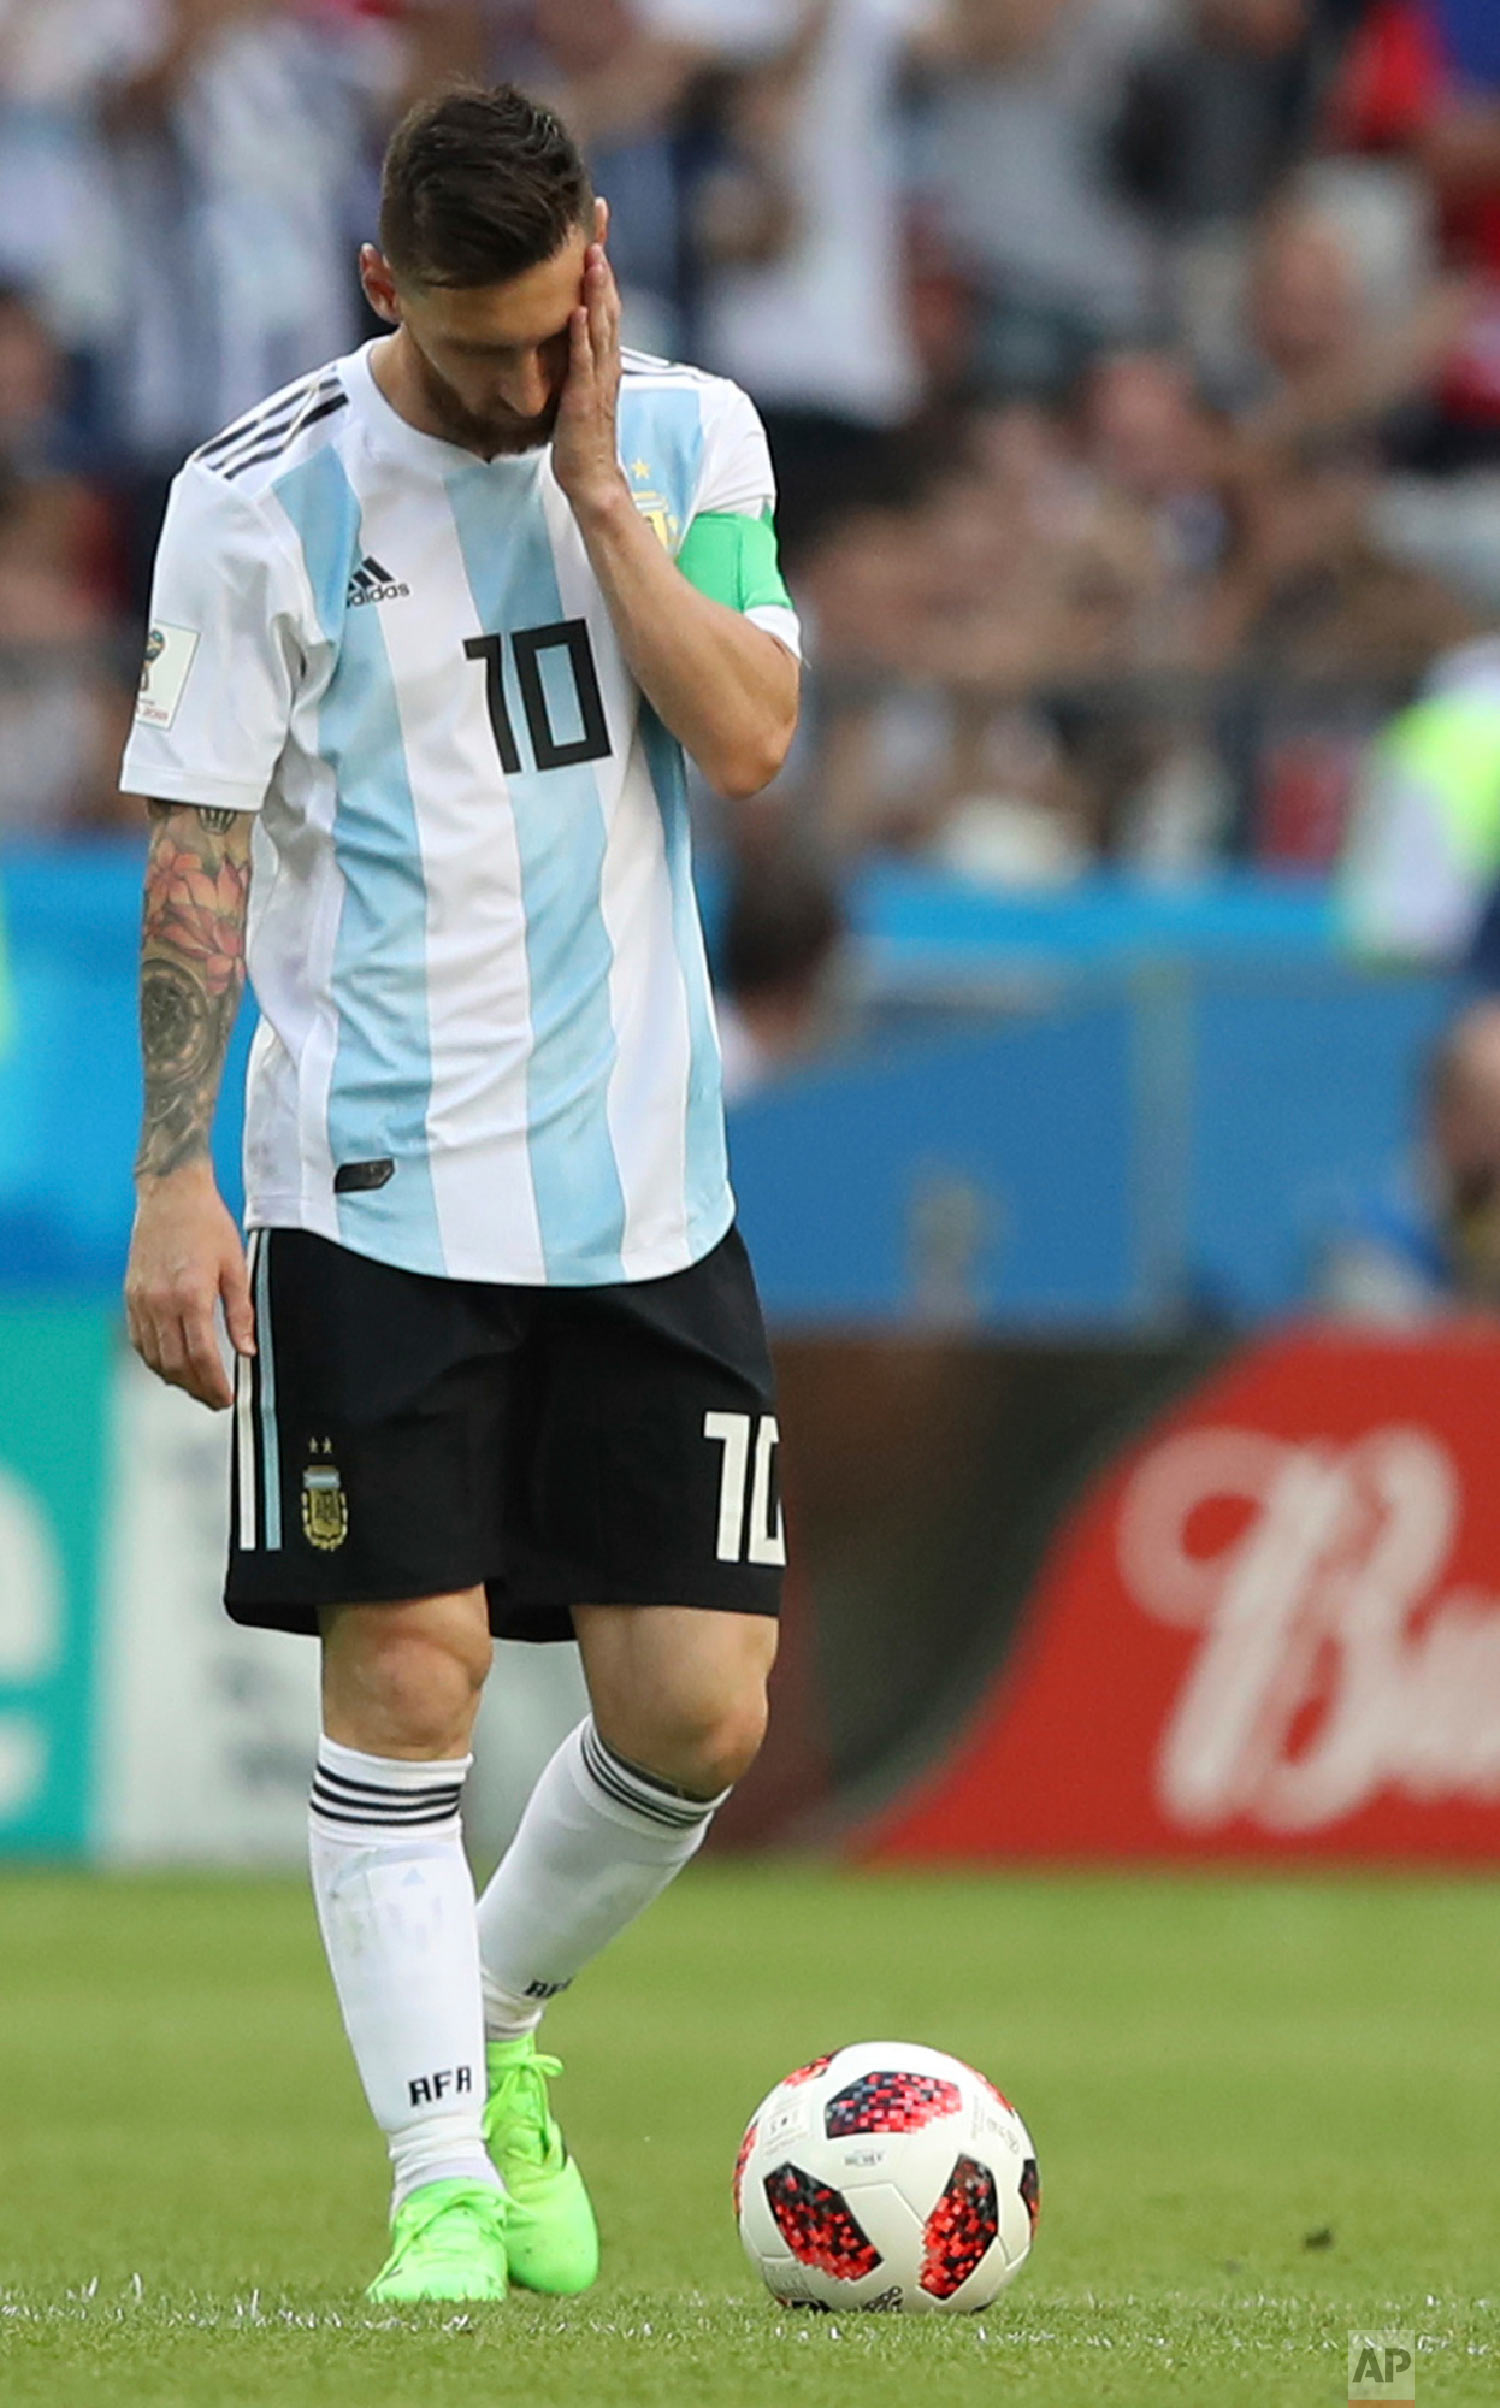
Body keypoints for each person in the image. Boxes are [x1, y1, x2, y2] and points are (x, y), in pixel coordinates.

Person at [119, 81, 800, 2305]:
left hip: (645, 1197)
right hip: (371, 1195)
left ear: (598, 261)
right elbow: (201, 849)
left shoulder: (690, 443)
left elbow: (753, 739)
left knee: (697, 1712)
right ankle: (435, 2178)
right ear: (380, 283)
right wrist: (172, 1183)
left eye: (552, 334)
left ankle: (494, 2028)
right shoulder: (258, 500)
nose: (519, 388)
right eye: (479, 349)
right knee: (401, 1679)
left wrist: (591, 488)